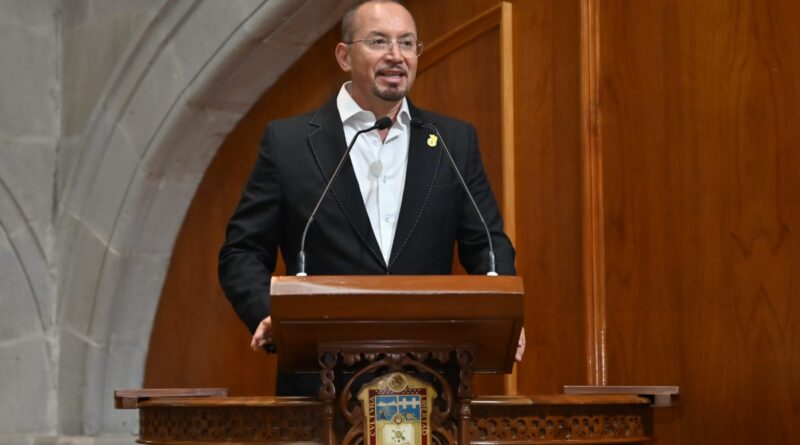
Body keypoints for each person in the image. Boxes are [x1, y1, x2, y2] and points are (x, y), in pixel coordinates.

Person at [218, 0, 523, 396]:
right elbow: (242, 251)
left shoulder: (452, 141)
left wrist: (503, 314)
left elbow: (488, 244)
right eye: (379, 41)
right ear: (344, 56)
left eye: (407, 43)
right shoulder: (289, 143)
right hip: (320, 388)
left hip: (431, 385)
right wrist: (270, 313)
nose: (396, 55)